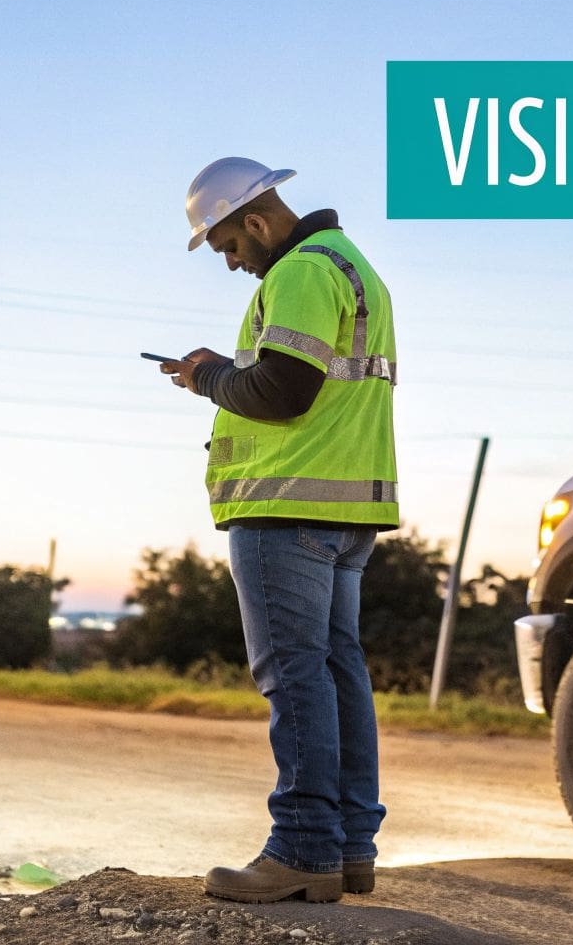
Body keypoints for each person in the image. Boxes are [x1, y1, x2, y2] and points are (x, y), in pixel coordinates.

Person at [157, 157, 399, 904]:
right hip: (343, 509)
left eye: (229, 244)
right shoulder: (352, 266)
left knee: (294, 676)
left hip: (286, 509)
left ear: (256, 220)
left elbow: (283, 390)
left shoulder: (297, 272)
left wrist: (207, 377)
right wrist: (229, 367)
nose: (231, 261)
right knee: (336, 672)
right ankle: (347, 847)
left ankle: (301, 850)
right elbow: (308, 380)